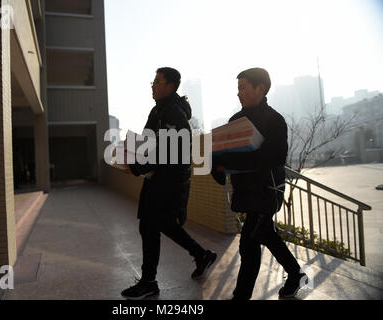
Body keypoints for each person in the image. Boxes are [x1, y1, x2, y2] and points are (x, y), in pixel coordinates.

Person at [211, 67, 308, 300]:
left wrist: (232, 161)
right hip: (245, 192)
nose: (239, 93)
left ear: (260, 89)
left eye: (243, 88)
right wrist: (217, 165)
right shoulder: (235, 121)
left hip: (267, 191)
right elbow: (222, 154)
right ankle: (296, 274)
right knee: (265, 234)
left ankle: (241, 296)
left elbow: (273, 157)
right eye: (238, 89)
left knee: (248, 244)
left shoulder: (274, 120)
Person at [121, 67, 217, 300]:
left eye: (157, 81)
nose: (153, 85)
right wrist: (130, 152)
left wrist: (135, 166)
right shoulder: (160, 109)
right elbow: (150, 144)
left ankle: (149, 281)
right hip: (158, 178)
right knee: (158, 224)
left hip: (169, 181)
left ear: (170, 86)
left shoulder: (173, 113)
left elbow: (166, 151)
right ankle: (200, 254)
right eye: (152, 82)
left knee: (152, 225)